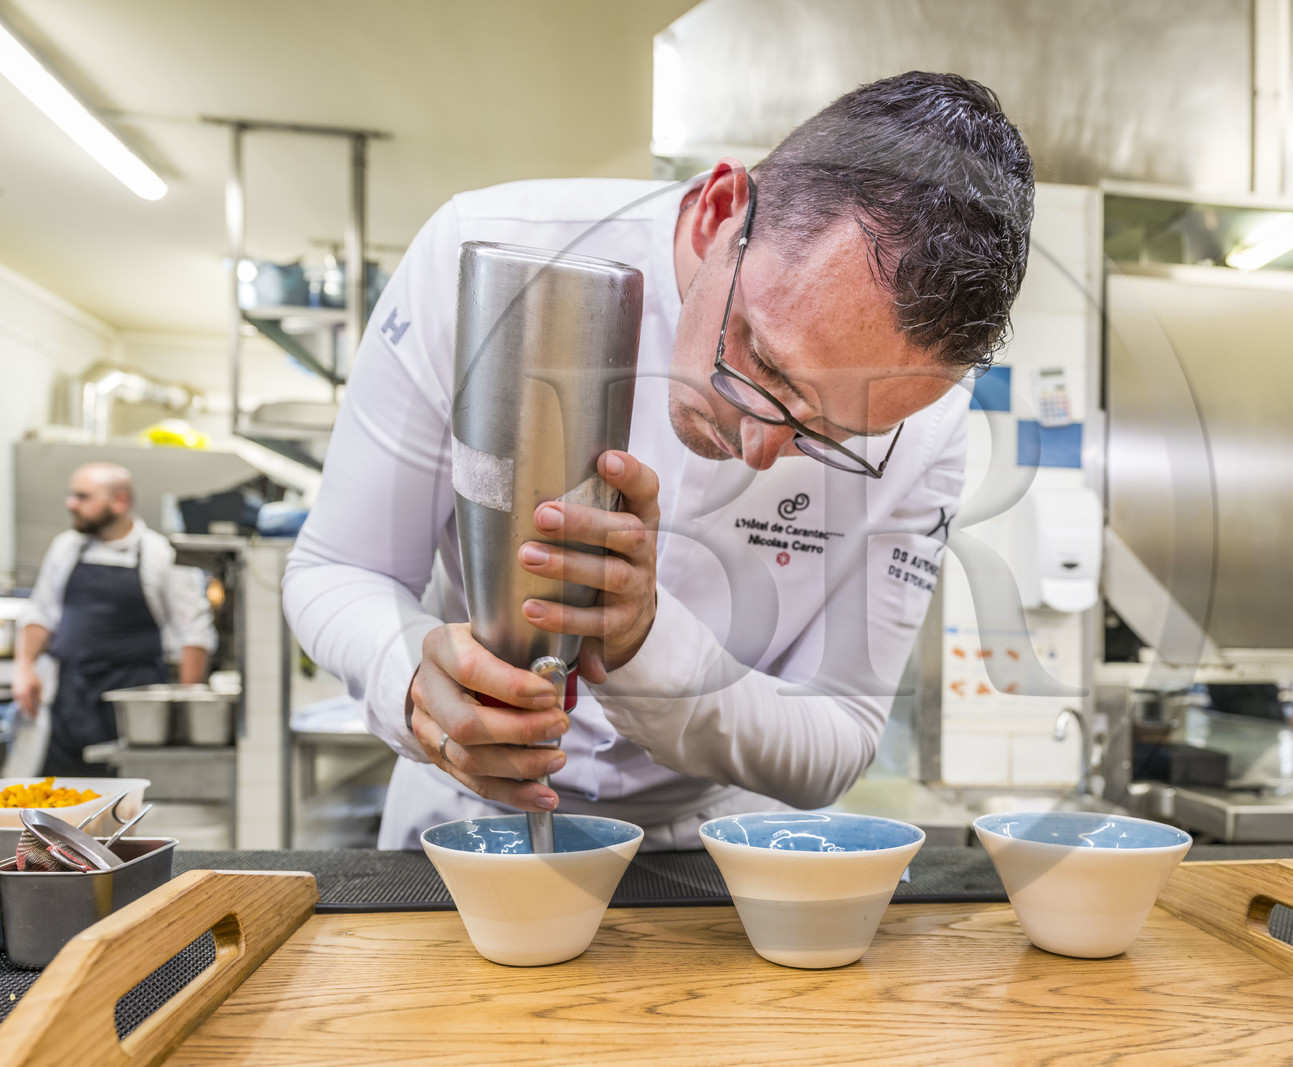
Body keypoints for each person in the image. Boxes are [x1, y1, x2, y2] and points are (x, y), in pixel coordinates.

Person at [284, 71, 1035, 849]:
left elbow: (839, 736)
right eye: (764, 364)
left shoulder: (930, 420)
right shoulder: (481, 250)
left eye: (839, 435)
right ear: (718, 213)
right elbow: (337, 567)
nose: (762, 448)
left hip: (706, 850)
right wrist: (410, 676)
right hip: (463, 819)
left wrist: (647, 640)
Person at [14, 463, 217, 775]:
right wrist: (24, 666)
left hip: (135, 706)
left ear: (120, 501)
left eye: (83, 497)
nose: (71, 504)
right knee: (62, 794)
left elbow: (194, 633)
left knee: (126, 794)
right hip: (70, 698)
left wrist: (186, 715)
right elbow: (42, 613)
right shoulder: (66, 547)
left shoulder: (161, 554)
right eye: (71, 495)